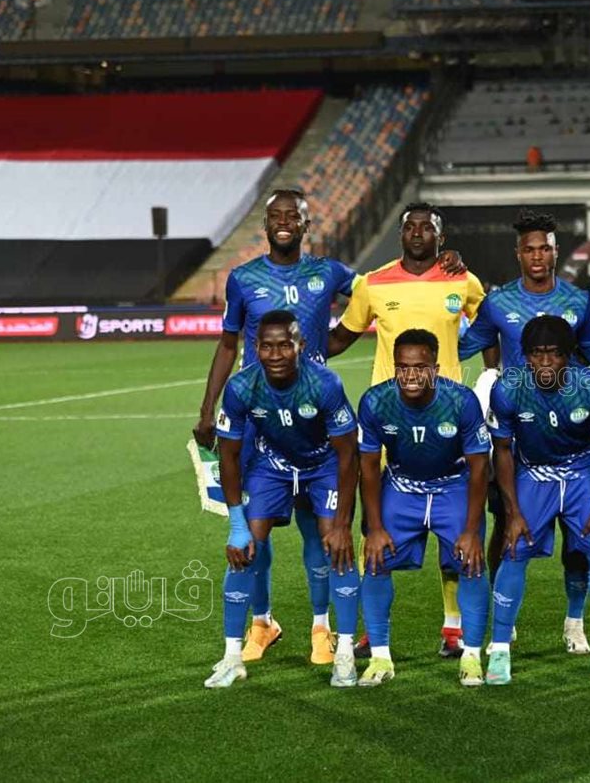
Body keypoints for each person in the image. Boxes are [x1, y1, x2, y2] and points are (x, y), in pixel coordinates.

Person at [193, 189, 355, 666]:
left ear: (306, 225)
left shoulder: (328, 272)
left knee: (316, 531)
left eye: (293, 216)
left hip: (313, 417)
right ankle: (262, 622)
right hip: (258, 420)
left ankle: (322, 628)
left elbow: (377, 293)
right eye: (276, 216)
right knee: (253, 534)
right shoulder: (244, 278)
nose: (284, 222)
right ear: (265, 226)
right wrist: (208, 409)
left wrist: (336, 341)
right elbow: (228, 344)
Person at [458, 208, 590, 655]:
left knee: (579, 540)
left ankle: (574, 621)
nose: (538, 256)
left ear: (555, 251)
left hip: (571, 432)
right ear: (518, 254)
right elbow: (463, 345)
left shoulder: (578, 301)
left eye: (545, 248)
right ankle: (501, 624)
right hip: (519, 434)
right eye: (530, 249)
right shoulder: (498, 303)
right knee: (505, 524)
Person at [331, 202, 482, 658]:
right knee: (372, 519)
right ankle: (372, 629)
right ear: (401, 235)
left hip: (448, 418)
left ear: (440, 236)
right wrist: (301, 354)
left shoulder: (463, 280)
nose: (417, 233)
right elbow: (341, 336)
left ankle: (453, 625)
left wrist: (495, 378)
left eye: (426, 227)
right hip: (387, 418)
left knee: (453, 523)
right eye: (410, 227)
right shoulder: (373, 283)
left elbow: (491, 326)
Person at [204, 311, 361, 688]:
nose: (275, 355)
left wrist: (342, 525)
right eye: (267, 346)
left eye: (284, 345)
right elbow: (228, 457)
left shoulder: (324, 384)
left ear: (300, 346)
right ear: (255, 348)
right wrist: (237, 525)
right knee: (244, 549)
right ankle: (231, 657)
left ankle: (343, 652)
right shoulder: (242, 387)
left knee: (335, 547)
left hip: (322, 465)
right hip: (271, 464)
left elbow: (348, 455)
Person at [484, 316, 590, 684]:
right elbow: (502, 452)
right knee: (513, 551)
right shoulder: (508, 389)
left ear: (570, 355)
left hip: (582, 471)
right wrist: (512, 512)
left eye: (554, 354)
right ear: (524, 355)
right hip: (534, 474)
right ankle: (500, 650)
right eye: (537, 354)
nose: (545, 362)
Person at [355, 329, 492, 687]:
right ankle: (380, 658)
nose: (411, 376)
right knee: (375, 559)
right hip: (402, 486)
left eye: (420, 368)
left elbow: (480, 467)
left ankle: (472, 656)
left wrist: (472, 530)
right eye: (403, 367)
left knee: (471, 561)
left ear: (436, 368)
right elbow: (367, 467)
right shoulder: (375, 402)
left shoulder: (460, 401)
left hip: (453, 485)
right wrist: (374, 527)